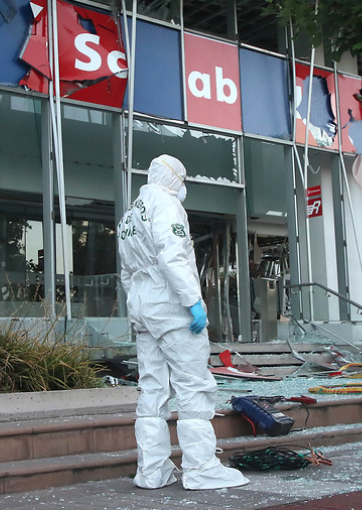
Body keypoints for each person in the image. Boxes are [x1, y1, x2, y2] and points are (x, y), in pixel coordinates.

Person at [117, 154, 250, 491]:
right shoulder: (166, 204)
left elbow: (127, 272)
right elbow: (173, 255)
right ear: (174, 178)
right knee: (194, 385)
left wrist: (138, 308)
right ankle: (201, 468)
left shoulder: (129, 215)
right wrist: (192, 302)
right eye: (183, 178)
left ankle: (151, 470)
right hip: (170, 303)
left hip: (144, 305)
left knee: (152, 388)